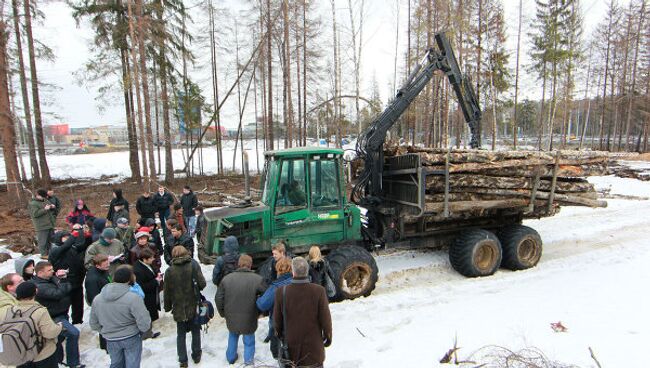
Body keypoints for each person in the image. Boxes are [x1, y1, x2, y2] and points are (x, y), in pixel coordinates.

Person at [274, 257, 332, 368]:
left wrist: (281, 337)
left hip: (291, 350)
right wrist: (328, 337)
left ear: (293, 271)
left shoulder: (281, 292)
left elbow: (277, 322)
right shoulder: (319, 291)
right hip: (314, 349)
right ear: (307, 271)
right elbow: (326, 319)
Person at [90, 265, 151, 368]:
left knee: (116, 364)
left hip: (110, 339)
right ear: (129, 279)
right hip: (131, 337)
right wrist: (140, 330)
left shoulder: (97, 299)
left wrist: (107, 331)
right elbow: (144, 322)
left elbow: (93, 324)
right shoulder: (133, 298)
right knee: (132, 365)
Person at [31, 261, 84, 368]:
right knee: (73, 333)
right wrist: (62, 280)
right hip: (54, 316)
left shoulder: (49, 279)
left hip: (62, 313)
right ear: (40, 273)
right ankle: (73, 363)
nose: (53, 272)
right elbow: (58, 294)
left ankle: (58, 361)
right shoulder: (39, 286)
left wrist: (61, 280)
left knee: (57, 339)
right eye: (49, 270)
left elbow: (68, 288)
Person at [215, 254, 265, 365]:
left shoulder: (227, 279)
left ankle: (231, 358)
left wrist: (223, 313)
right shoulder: (258, 279)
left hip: (231, 316)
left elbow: (218, 298)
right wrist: (260, 311)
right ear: (250, 265)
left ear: (239, 264)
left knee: (232, 336)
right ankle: (248, 362)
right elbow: (266, 297)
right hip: (250, 317)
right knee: (249, 341)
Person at [164, 246, 206, 367]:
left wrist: (167, 306)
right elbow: (202, 284)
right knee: (195, 330)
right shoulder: (193, 266)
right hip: (193, 304)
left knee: (180, 334)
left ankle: (183, 359)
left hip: (178, 307)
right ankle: (196, 354)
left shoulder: (170, 271)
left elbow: (167, 291)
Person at [13, 282, 63, 368]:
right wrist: (59, 326)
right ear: (35, 292)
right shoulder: (39, 311)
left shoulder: (11, 311)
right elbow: (50, 333)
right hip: (42, 355)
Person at [49, 229, 87, 325]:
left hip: (77, 281)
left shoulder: (72, 248)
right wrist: (73, 236)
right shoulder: (55, 250)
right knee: (64, 305)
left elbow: (82, 246)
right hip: (64, 282)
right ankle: (63, 324)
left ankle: (78, 322)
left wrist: (85, 235)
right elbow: (65, 247)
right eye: (65, 237)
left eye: (68, 237)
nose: (68, 239)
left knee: (78, 304)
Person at [256, 258, 292, 358]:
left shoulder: (275, 287)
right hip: (297, 325)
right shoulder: (299, 284)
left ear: (278, 271)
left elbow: (262, 305)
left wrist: (258, 299)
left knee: (281, 355)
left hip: (279, 327)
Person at [84, 254, 111, 351]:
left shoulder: (103, 270)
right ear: (97, 266)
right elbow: (94, 297)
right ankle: (106, 346)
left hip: (108, 302)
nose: (108, 265)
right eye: (105, 264)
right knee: (104, 326)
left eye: (108, 262)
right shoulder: (92, 279)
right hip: (101, 306)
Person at [132, 248, 162, 325]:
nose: (153, 259)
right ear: (144, 259)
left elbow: (152, 272)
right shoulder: (138, 270)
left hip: (152, 297)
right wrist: (156, 281)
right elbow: (141, 287)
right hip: (147, 300)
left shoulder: (147, 264)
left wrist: (157, 274)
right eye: (151, 258)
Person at [29, 189, 56, 258]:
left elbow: (50, 208)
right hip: (41, 226)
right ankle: (44, 255)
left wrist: (52, 207)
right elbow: (35, 214)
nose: (44, 198)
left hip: (50, 224)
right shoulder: (33, 204)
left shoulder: (45, 200)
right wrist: (45, 209)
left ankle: (51, 253)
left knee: (51, 240)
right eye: (42, 196)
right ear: (37, 195)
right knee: (43, 241)